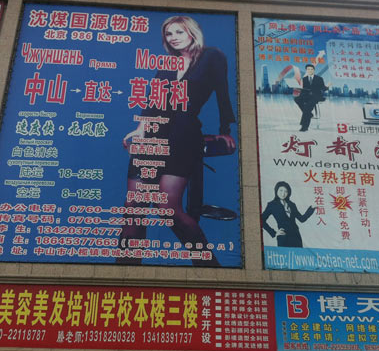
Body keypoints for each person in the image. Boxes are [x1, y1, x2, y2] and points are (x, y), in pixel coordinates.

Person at [121, 15, 236, 265]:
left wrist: (225, 129)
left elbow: (222, 92)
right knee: (133, 209)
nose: (173, 38)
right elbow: (153, 100)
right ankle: (123, 275)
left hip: (183, 135)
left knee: (168, 210)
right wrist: (140, 128)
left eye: (179, 32)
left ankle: (210, 268)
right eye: (169, 34)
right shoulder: (167, 63)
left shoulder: (212, 57)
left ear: (192, 33)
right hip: (153, 134)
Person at [261, 181, 314, 248]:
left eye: (286, 191)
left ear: (288, 193)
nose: (283, 194)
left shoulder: (292, 204)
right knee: (285, 254)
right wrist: (273, 233)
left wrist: (312, 208)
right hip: (283, 237)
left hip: (296, 237)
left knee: (298, 254)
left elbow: (302, 219)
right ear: (276, 190)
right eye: (281, 190)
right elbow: (261, 220)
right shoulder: (272, 205)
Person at [294, 63, 326, 131]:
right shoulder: (304, 79)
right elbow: (303, 89)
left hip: (316, 95)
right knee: (297, 99)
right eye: (308, 69)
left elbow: (323, 88)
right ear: (306, 70)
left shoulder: (319, 78)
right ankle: (309, 114)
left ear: (314, 70)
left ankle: (304, 126)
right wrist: (297, 88)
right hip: (307, 95)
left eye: (311, 69)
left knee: (307, 107)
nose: (310, 70)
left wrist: (326, 87)